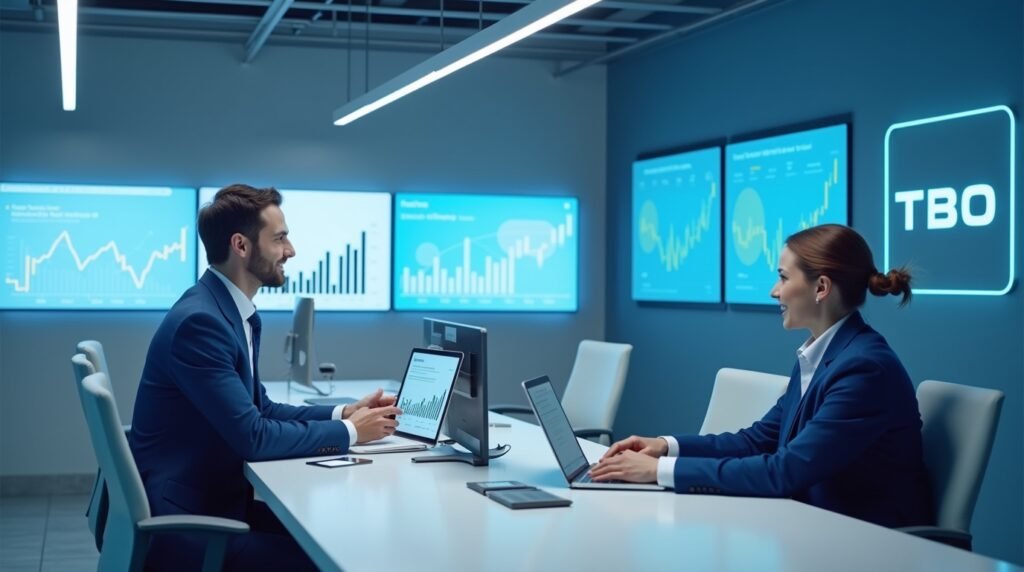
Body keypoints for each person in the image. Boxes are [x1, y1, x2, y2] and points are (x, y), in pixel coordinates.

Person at [129, 184, 402, 570]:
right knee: (333, 558)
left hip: (209, 503)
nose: (291, 251)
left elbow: (261, 408)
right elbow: (253, 437)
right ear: (241, 246)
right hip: (187, 527)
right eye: (280, 238)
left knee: (337, 537)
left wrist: (344, 413)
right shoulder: (201, 324)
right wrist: (354, 433)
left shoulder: (223, 310)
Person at [591, 224, 933, 528]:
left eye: (784, 277)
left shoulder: (864, 369)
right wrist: (665, 447)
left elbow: (786, 471)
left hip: (867, 542)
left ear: (821, 287)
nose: (775, 291)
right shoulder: (822, 354)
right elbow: (756, 440)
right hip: (814, 525)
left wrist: (658, 472)